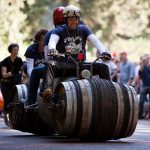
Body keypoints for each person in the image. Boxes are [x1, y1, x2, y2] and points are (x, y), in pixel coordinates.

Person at [44, 5, 111, 97]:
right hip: (64, 65)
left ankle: (109, 92)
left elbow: (95, 40)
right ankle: (48, 91)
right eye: (71, 19)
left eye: (76, 19)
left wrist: (103, 51)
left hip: (80, 65)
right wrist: (52, 49)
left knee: (103, 67)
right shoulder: (59, 30)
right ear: (66, 20)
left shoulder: (84, 29)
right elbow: (53, 40)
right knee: (51, 64)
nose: (74, 22)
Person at [25, 7, 65, 106]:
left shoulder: (51, 34)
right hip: (75, 65)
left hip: (56, 67)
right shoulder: (77, 30)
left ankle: (31, 102)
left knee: (36, 71)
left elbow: (48, 59)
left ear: (54, 19)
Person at [1, 43, 24, 112]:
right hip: (6, 84)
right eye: (14, 50)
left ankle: (12, 115)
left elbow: (22, 71)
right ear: (10, 51)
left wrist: (23, 76)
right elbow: (3, 75)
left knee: (16, 99)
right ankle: (5, 114)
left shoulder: (19, 60)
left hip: (16, 83)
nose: (16, 51)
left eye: (17, 50)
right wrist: (8, 74)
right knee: (6, 100)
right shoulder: (5, 61)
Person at [138, 54, 150, 119]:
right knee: (141, 100)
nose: (146, 60)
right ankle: (140, 115)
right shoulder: (142, 66)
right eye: (146, 59)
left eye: (148, 58)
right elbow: (140, 71)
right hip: (144, 86)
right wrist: (143, 62)